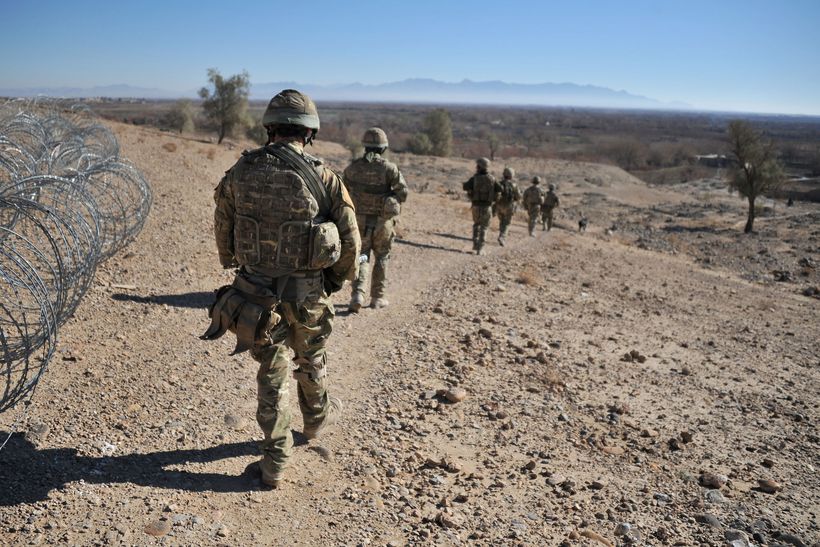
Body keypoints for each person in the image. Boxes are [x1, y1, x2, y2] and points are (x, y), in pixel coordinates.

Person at [206, 89, 361, 488]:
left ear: (269, 128)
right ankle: (314, 423)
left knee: (270, 372)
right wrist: (332, 280)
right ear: (308, 133)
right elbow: (351, 243)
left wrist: (237, 266)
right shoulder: (325, 178)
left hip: (256, 295)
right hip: (308, 293)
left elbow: (224, 226)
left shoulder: (240, 172)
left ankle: (274, 463)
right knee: (311, 359)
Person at [343, 127, 408, 312]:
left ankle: (357, 295)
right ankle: (377, 298)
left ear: (365, 146)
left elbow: (342, 192)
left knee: (362, 257)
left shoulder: (353, 168)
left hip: (359, 222)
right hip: (382, 223)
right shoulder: (389, 169)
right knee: (382, 257)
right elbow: (403, 193)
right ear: (383, 147)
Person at [463, 157, 502, 254]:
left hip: (476, 206)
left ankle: (475, 245)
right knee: (484, 227)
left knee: (476, 225)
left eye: (477, 165)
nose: (476, 167)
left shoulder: (474, 178)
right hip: (487, 207)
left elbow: (465, 187)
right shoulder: (492, 178)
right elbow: (500, 189)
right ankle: (480, 249)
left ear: (480, 166)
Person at [495, 166, 521, 246]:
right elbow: (518, 196)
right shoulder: (514, 185)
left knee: (502, 221)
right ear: (512, 175)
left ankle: (501, 234)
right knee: (506, 223)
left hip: (499, 205)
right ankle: (502, 237)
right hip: (509, 206)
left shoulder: (498, 183)